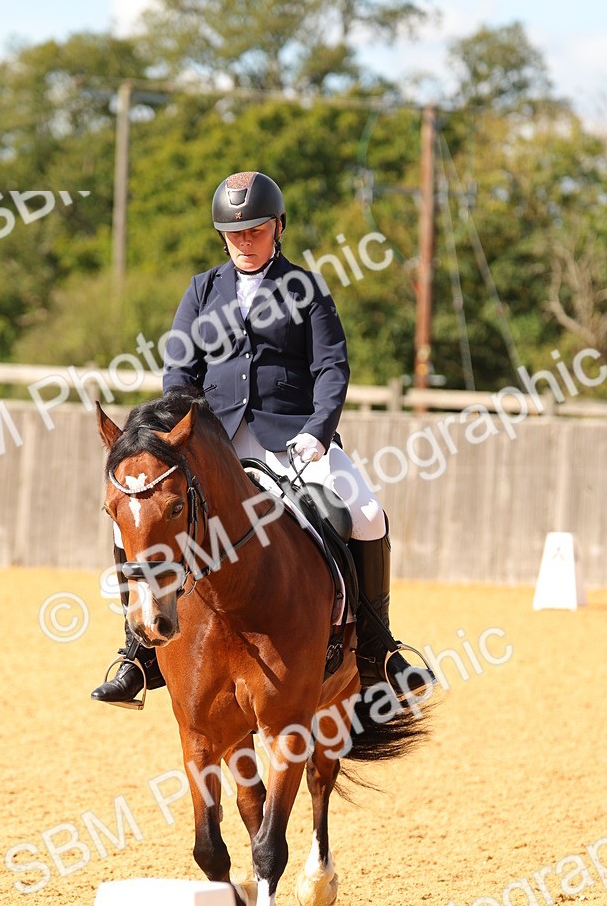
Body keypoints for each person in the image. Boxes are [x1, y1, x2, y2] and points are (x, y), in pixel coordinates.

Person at [92, 170, 433, 706]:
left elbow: (332, 368)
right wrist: (186, 438)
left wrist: (318, 433)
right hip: (215, 443)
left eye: (255, 230)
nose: (245, 241)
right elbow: (179, 374)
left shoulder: (307, 289)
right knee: (137, 514)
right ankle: (137, 651)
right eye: (235, 233)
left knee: (367, 515)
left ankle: (377, 649)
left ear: (278, 227)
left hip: (294, 437)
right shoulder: (203, 289)